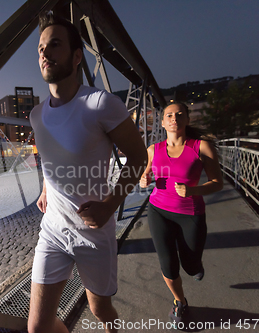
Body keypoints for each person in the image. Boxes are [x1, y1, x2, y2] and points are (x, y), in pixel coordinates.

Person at [27, 11, 148, 333]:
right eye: (40, 48)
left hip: (93, 233)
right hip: (52, 229)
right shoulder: (36, 115)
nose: (44, 53)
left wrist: (110, 206)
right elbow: (50, 159)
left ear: (77, 55)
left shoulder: (101, 103)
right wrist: (45, 189)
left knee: (100, 309)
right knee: (37, 328)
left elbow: (138, 156)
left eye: (54, 45)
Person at [139, 102, 223, 327]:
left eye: (179, 114)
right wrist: (144, 179)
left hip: (190, 213)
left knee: (190, 264)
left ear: (186, 119)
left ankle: (196, 266)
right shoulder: (153, 149)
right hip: (158, 210)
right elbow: (146, 175)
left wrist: (193, 190)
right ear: (163, 122)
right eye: (169, 115)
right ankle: (180, 301)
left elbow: (217, 183)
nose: (174, 118)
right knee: (168, 262)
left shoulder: (201, 147)